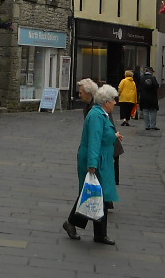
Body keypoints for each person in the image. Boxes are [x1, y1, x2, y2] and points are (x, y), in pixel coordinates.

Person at [61, 84, 119, 245]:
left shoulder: (101, 114)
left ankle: (99, 233)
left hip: (102, 160)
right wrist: (92, 164)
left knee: (98, 195)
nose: (115, 103)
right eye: (113, 100)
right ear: (106, 102)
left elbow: (103, 136)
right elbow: (94, 140)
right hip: (96, 160)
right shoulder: (96, 116)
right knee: (93, 193)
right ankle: (73, 224)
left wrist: (114, 135)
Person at [138, 66, 160, 131]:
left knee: (145, 111)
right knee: (153, 111)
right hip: (152, 97)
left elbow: (139, 87)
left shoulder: (142, 78)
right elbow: (157, 86)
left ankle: (147, 126)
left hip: (144, 97)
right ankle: (152, 125)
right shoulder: (153, 78)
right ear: (151, 71)